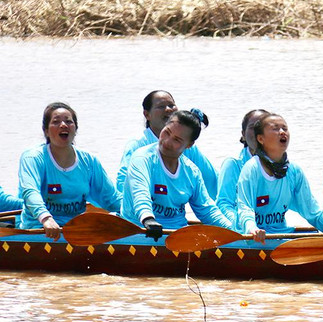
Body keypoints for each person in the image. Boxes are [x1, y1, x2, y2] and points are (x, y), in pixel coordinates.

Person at [121, 109, 231, 238]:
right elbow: (140, 193)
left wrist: (235, 231)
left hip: (176, 235)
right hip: (140, 230)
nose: (167, 142)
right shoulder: (142, 158)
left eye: (177, 140)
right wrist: (148, 218)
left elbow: (207, 211)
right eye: (166, 132)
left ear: (189, 145)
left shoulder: (192, 172)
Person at [18, 103, 121, 239]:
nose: (63, 125)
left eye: (68, 121)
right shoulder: (33, 158)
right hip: (40, 230)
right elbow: (30, 192)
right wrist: (46, 218)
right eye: (56, 122)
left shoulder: (88, 160)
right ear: (46, 131)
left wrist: (143, 213)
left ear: (75, 129)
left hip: (75, 232)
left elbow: (111, 199)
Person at [237, 113, 323, 242]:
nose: (282, 132)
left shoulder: (294, 171)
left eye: (284, 128)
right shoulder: (251, 169)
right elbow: (245, 208)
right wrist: (252, 229)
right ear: (260, 139)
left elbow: (313, 212)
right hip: (253, 240)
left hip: (282, 236)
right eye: (275, 128)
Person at [115, 90, 218, 198]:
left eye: (171, 105)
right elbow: (123, 184)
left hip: (173, 211)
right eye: (161, 106)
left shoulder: (187, 147)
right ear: (147, 114)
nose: (168, 109)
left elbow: (212, 180)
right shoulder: (137, 145)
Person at [216, 109, 269, 226]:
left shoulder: (284, 167)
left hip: (273, 230)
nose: (257, 132)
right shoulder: (233, 164)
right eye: (252, 127)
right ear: (243, 135)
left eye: (263, 127)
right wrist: (244, 225)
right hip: (242, 230)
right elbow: (223, 204)